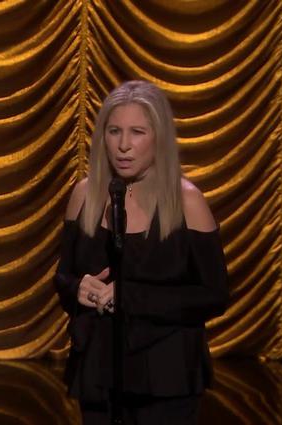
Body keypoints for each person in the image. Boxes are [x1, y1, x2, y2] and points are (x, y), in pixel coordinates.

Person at [54, 80, 229, 424]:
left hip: (166, 376)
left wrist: (129, 297)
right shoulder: (85, 195)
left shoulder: (187, 201)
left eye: (137, 132)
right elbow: (63, 278)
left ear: (159, 137)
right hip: (98, 371)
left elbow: (214, 295)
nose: (123, 145)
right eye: (114, 131)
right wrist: (78, 289)